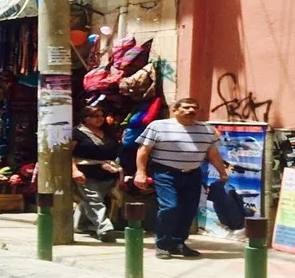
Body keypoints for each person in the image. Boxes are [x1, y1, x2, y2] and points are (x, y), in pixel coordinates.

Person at [135, 98, 228, 259]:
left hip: (193, 173)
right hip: (166, 173)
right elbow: (144, 151)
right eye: (185, 107)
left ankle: (178, 243)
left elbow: (212, 153)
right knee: (170, 207)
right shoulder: (158, 126)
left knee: (188, 209)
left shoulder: (206, 129)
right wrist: (140, 172)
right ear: (175, 110)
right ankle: (163, 244)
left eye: (194, 108)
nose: (190, 111)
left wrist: (222, 172)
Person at [71, 106, 121, 243]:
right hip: (86, 172)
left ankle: (80, 225)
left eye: (101, 115)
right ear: (85, 118)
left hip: (107, 172)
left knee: (90, 200)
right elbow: (68, 154)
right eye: (95, 116)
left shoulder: (107, 132)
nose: (100, 119)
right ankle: (105, 228)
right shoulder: (77, 132)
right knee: (94, 200)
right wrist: (74, 170)